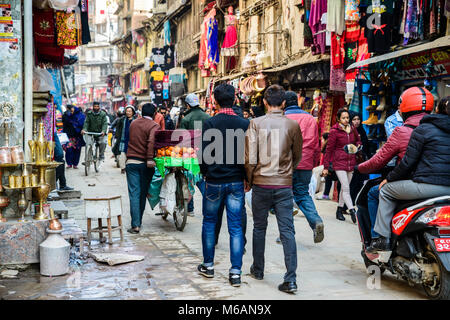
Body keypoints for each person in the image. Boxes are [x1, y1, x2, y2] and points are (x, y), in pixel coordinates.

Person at [367, 95, 450, 252]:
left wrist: (389, 179)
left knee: (384, 191)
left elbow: (407, 163)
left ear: (436, 110)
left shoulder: (423, 129)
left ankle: (382, 240)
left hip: (428, 186)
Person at [356, 87, 433, 244]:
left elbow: (387, 161)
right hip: (443, 184)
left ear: (404, 107)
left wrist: (358, 168)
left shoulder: (403, 131)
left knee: (375, 192)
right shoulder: (438, 128)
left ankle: (379, 238)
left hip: (418, 182)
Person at [245, 85, 302, 294]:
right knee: (287, 231)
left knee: (259, 227)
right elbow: (296, 156)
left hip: (260, 183)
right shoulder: (292, 125)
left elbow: (250, 158)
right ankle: (291, 278)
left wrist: (250, 180)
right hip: (283, 185)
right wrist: (286, 173)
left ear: (265, 102)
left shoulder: (255, 123)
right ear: (284, 103)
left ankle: (258, 269)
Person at [198, 84, 250, 287]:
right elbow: (249, 155)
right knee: (236, 227)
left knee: (209, 223)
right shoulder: (244, 123)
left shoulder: (210, 123)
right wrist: (247, 178)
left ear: (215, 101)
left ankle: (208, 266)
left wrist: (205, 173)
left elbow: (203, 155)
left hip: (214, 181)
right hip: (236, 181)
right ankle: (235, 272)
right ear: (235, 100)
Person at [284, 91, 324, 243]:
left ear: (283, 103)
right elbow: (316, 144)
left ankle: (287, 234)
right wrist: (313, 164)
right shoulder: (310, 118)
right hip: (305, 163)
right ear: (298, 102)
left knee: (284, 197)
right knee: (302, 194)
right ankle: (315, 221)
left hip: (286, 164)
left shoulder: (282, 118)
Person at [125, 103, 160, 234]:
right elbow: (151, 142)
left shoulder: (133, 123)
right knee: (142, 193)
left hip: (131, 162)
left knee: (134, 193)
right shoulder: (154, 126)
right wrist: (150, 158)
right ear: (154, 113)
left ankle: (136, 225)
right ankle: (137, 222)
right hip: (146, 164)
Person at [322, 108, 361, 223]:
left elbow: (358, 140)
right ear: (338, 119)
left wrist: (358, 146)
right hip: (339, 163)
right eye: (343, 118)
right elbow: (329, 150)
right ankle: (352, 210)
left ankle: (339, 209)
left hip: (351, 161)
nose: (346, 120)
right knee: (346, 188)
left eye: (347, 118)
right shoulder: (334, 131)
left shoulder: (352, 129)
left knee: (345, 188)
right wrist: (325, 167)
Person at [181, 93, 211, 216]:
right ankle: (208, 209)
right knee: (202, 181)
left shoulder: (186, 119)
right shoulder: (208, 117)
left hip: (190, 154)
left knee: (189, 180)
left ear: (187, 105)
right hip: (206, 154)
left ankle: (190, 209)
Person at [349, 113, 370, 203]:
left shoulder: (362, 131)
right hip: (351, 161)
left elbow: (366, 146)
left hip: (361, 161)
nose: (356, 121)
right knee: (351, 183)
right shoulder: (348, 132)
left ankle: (355, 202)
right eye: (354, 119)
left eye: (358, 119)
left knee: (360, 182)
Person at [113, 105, 136, 173]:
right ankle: (123, 168)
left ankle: (130, 167)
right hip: (123, 139)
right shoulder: (121, 120)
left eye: (130, 111)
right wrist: (117, 137)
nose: (128, 112)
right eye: (127, 111)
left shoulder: (136, 120)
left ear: (133, 112)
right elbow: (118, 129)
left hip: (132, 140)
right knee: (122, 154)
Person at [62, 105, 86, 169]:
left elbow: (82, 124)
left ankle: (75, 164)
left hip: (77, 136)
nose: (71, 111)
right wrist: (67, 115)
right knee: (69, 150)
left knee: (77, 151)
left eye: (72, 109)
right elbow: (64, 122)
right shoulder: (67, 115)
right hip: (69, 136)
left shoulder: (80, 115)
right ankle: (69, 163)